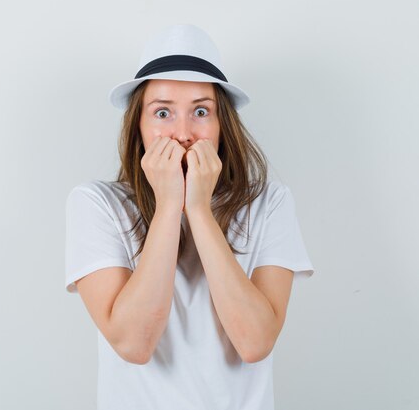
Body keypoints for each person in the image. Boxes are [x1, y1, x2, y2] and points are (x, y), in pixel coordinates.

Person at [64, 23, 315, 410]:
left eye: (201, 111)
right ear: (139, 127)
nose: (183, 133)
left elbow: (255, 343)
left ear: (222, 126)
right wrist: (168, 206)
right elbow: (133, 343)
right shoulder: (97, 203)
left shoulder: (271, 202)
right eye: (163, 112)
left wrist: (198, 208)